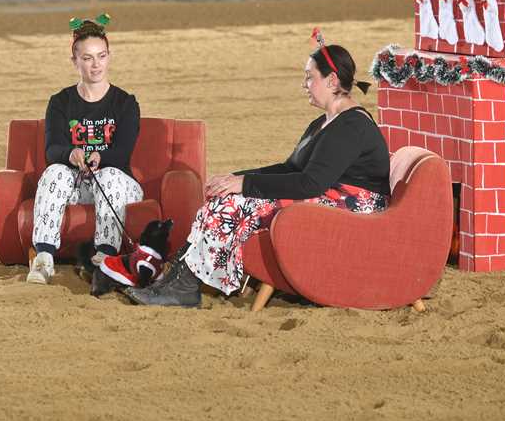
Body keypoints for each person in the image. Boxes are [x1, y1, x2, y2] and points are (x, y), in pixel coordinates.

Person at [126, 34, 390, 307]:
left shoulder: (351, 126)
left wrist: (245, 184)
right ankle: (178, 280)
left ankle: (184, 287)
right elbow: (290, 169)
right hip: (327, 197)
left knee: (232, 205)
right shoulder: (323, 123)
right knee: (225, 196)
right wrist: (237, 178)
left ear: (332, 81)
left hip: (351, 211)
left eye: (310, 77)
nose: (304, 84)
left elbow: (310, 184)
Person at [27, 15, 143, 285]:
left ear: (109, 56)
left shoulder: (125, 102)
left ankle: (104, 259)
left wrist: (101, 156)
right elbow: (52, 149)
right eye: (87, 58)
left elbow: (123, 152)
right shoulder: (60, 101)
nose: (96, 65)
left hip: (117, 184)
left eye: (101, 56)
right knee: (55, 171)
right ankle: (43, 258)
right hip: (75, 185)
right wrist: (70, 154)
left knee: (110, 175)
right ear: (75, 61)